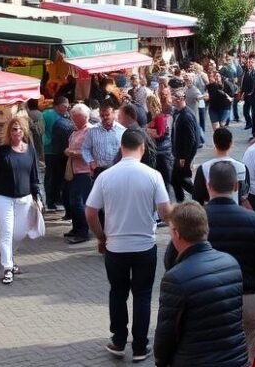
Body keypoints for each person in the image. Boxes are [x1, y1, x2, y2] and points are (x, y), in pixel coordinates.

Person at [86, 129, 173, 362]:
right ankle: (140, 346)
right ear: (142, 147)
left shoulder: (106, 176)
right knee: (142, 295)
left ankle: (118, 340)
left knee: (117, 293)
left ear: (121, 147)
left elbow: (90, 212)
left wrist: (101, 237)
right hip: (144, 246)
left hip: (115, 247)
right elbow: (166, 212)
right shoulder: (153, 175)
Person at [198, 163, 255, 365]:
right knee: (246, 357)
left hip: (207, 300)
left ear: (208, 185)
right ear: (236, 186)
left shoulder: (197, 221)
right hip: (247, 300)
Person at [153, 201, 249, 367]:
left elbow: (166, 335)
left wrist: (161, 362)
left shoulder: (175, 278)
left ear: (176, 233)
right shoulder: (231, 264)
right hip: (236, 359)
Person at [0, 114, 42, 285]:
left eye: (20, 129)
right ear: (9, 132)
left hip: (24, 198)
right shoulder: (2, 151)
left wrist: (37, 197)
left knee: (20, 233)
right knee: (7, 232)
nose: (17, 132)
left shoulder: (30, 151)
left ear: (24, 131)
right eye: (14, 129)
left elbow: (34, 177)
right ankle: (8, 267)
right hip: (2, 197)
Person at [192, 127, 250, 207]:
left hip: (210, 211)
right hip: (235, 209)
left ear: (214, 143)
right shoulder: (242, 168)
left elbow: (197, 197)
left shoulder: (203, 168)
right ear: (231, 143)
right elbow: (244, 195)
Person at [63, 104, 95, 244]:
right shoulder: (76, 131)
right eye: (73, 117)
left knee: (78, 202)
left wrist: (72, 153)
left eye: (75, 117)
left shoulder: (90, 131)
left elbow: (90, 152)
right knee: (72, 201)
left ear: (84, 117)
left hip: (84, 171)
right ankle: (76, 228)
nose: (73, 120)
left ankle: (83, 231)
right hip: (73, 170)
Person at [169, 90, 200, 202]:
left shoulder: (186, 116)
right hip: (179, 154)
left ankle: (200, 196)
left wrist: (183, 157)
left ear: (181, 99)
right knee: (176, 179)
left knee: (182, 179)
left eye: (174, 98)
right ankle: (182, 201)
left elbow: (191, 140)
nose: (172, 100)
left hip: (184, 155)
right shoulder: (178, 113)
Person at [82, 99, 124, 177]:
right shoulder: (92, 130)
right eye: (102, 115)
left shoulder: (122, 130)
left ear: (113, 113)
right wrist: (90, 161)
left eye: (107, 115)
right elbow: (85, 148)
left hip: (116, 171)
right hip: (98, 170)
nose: (105, 117)